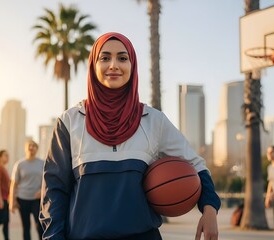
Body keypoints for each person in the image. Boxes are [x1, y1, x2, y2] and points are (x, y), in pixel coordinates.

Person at [39, 32, 221, 240]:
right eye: (105, 58)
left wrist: (209, 208)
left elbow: (196, 165)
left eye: (122, 58)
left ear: (132, 65)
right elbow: (54, 189)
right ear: (93, 65)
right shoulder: (69, 121)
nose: (114, 65)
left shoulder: (153, 120)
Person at [10, 140, 44, 240]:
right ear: (25, 148)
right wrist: (12, 201)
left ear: (37, 149)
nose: (31, 147)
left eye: (34, 146)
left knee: (40, 226)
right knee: (26, 227)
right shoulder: (19, 164)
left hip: (37, 200)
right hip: (22, 199)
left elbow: (47, 181)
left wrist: (42, 192)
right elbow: (14, 184)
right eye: (29, 145)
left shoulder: (42, 163)